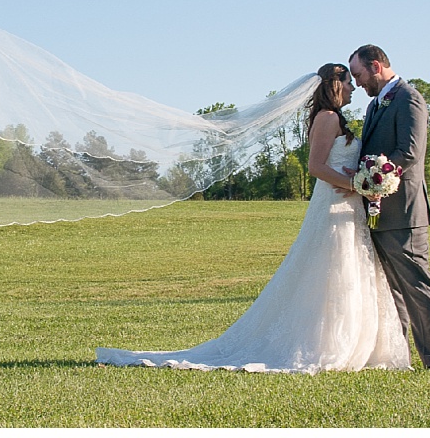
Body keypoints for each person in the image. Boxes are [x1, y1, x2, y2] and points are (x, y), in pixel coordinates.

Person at [96, 63, 411, 373]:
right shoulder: (327, 118)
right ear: (334, 85)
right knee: (332, 268)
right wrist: (357, 183)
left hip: (346, 205)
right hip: (332, 204)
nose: (354, 87)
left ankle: (355, 340)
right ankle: (324, 342)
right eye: (348, 81)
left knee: (347, 269)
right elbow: (316, 167)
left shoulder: (333, 118)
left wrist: (361, 185)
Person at [347, 44, 430, 370]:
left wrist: (370, 177)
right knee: (393, 292)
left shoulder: (409, 99)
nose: (358, 83)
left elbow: (409, 152)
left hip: (404, 211)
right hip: (379, 213)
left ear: (376, 66)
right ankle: (398, 355)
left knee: (418, 288)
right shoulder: (375, 105)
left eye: (359, 75)